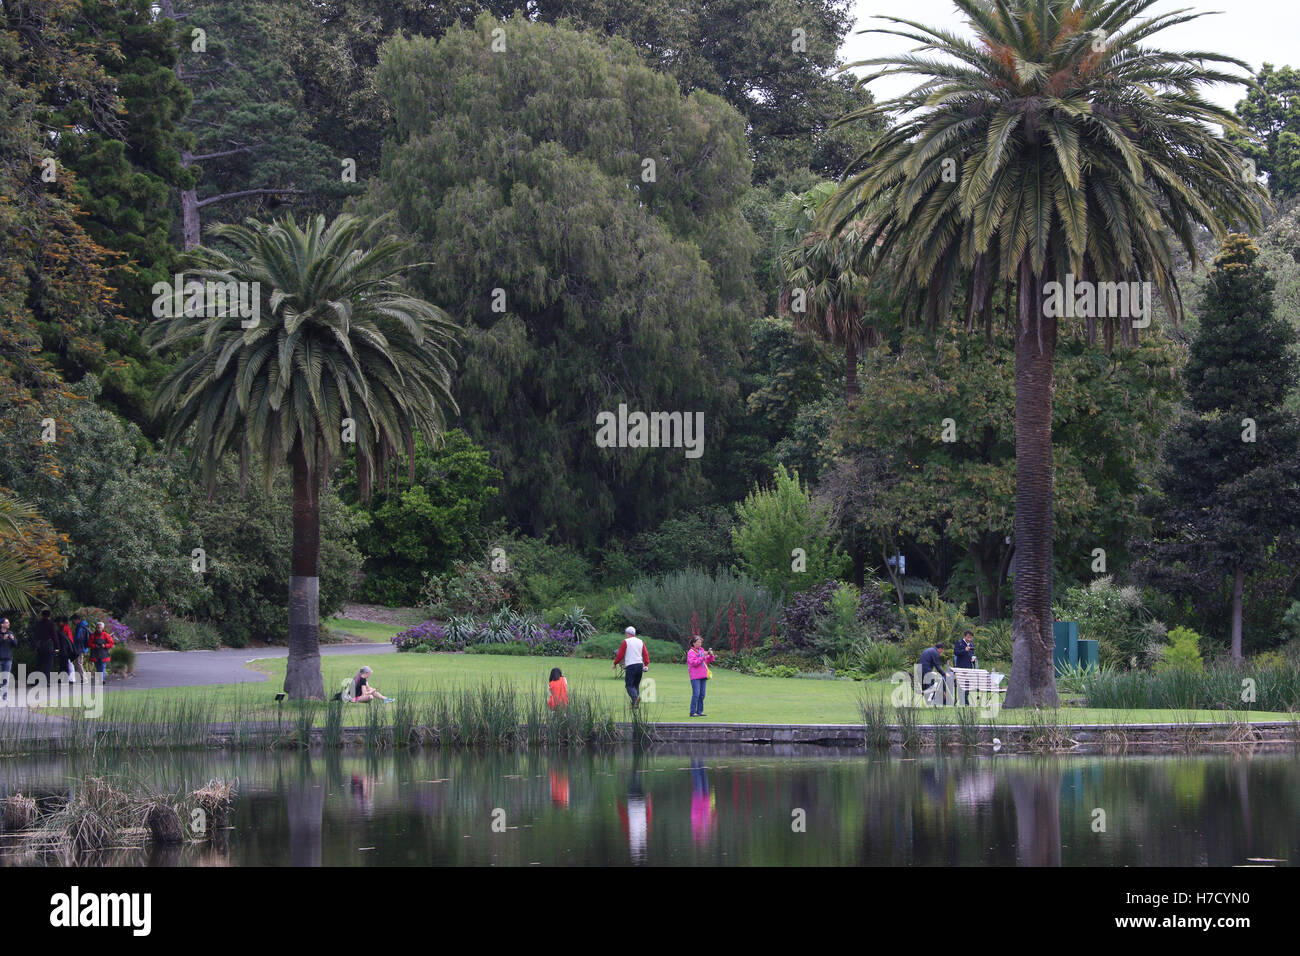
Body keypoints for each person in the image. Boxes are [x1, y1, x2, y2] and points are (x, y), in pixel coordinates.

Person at [613, 626, 650, 707]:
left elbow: (620, 654)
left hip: (631, 665)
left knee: (629, 686)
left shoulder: (626, 641)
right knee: (635, 685)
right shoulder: (640, 641)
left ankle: (636, 698)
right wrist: (646, 664)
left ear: (627, 633)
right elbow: (645, 654)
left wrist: (615, 663)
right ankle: (635, 704)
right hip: (640, 665)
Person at [686, 635, 715, 717]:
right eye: (698, 642)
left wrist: (711, 655)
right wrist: (703, 657)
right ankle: (692, 712)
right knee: (696, 694)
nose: (700, 644)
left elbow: (708, 661)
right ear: (693, 643)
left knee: (702, 694)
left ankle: (699, 711)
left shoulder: (701, 650)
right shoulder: (691, 652)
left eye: (701, 642)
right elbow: (694, 663)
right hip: (695, 676)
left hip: (703, 675)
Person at [34, 609, 57, 679]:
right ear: (49, 616)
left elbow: (36, 635)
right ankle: (47, 681)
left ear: (42, 616)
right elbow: (54, 636)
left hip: (40, 645)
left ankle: (37, 680)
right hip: (49, 645)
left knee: (39, 663)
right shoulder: (51, 624)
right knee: (48, 664)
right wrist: (57, 647)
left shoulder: (38, 624)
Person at [55, 616, 76, 682]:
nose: (58, 623)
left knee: (67, 664)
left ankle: (70, 678)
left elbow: (67, 640)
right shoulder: (64, 628)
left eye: (59, 622)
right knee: (67, 664)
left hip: (66, 648)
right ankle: (70, 678)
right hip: (66, 648)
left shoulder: (65, 628)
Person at [0, 617, 16, 701]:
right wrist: (3, 639)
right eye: (6, 623)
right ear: (2, 625)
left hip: (8, 659)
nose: (8, 624)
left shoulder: (10, 633)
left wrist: (13, 639)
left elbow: (16, 645)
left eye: (8, 623)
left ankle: (4, 696)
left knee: (6, 678)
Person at [72, 615, 91, 680]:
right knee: (79, 662)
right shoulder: (83, 626)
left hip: (80, 647)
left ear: (77, 620)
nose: (73, 622)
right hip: (83, 647)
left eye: (73, 620)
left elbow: (78, 638)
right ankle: (81, 677)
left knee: (78, 662)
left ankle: (83, 678)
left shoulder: (80, 627)